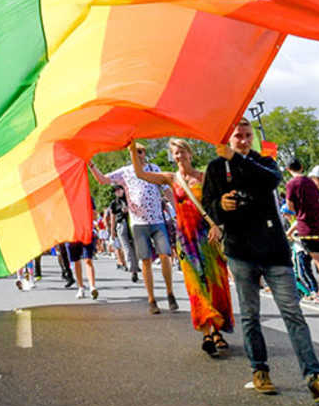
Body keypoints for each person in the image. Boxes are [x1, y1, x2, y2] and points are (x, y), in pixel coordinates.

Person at [203, 118, 319, 405]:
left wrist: (236, 159)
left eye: (246, 135)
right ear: (228, 138)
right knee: (250, 315)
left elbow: (271, 180)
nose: (242, 140)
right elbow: (208, 204)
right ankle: (260, 370)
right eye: (237, 136)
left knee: (292, 312)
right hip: (240, 250)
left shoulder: (263, 161)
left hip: (273, 249)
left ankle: (314, 377)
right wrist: (221, 207)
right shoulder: (216, 167)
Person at [130, 138, 233, 355]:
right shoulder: (171, 178)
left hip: (208, 239)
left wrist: (218, 226)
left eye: (182, 152)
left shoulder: (205, 178)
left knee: (215, 284)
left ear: (190, 153)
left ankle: (217, 331)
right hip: (185, 240)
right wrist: (132, 145)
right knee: (196, 286)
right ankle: (207, 333)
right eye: (175, 153)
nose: (179, 156)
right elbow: (140, 174)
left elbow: (216, 206)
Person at [90, 146, 177, 312]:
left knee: (165, 255)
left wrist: (176, 212)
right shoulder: (125, 172)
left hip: (157, 220)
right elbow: (103, 180)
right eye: (133, 151)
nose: (137, 154)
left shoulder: (154, 169)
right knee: (145, 260)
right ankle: (152, 300)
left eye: (140, 151)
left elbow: (167, 190)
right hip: (138, 223)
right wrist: (91, 164)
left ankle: (170, 293)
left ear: (145, 154)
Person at [284, 158, 319, 303]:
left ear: (288, 169)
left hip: (306, 226)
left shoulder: (292, 184)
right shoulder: (311, 183)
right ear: (302, 166)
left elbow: (290, 206)